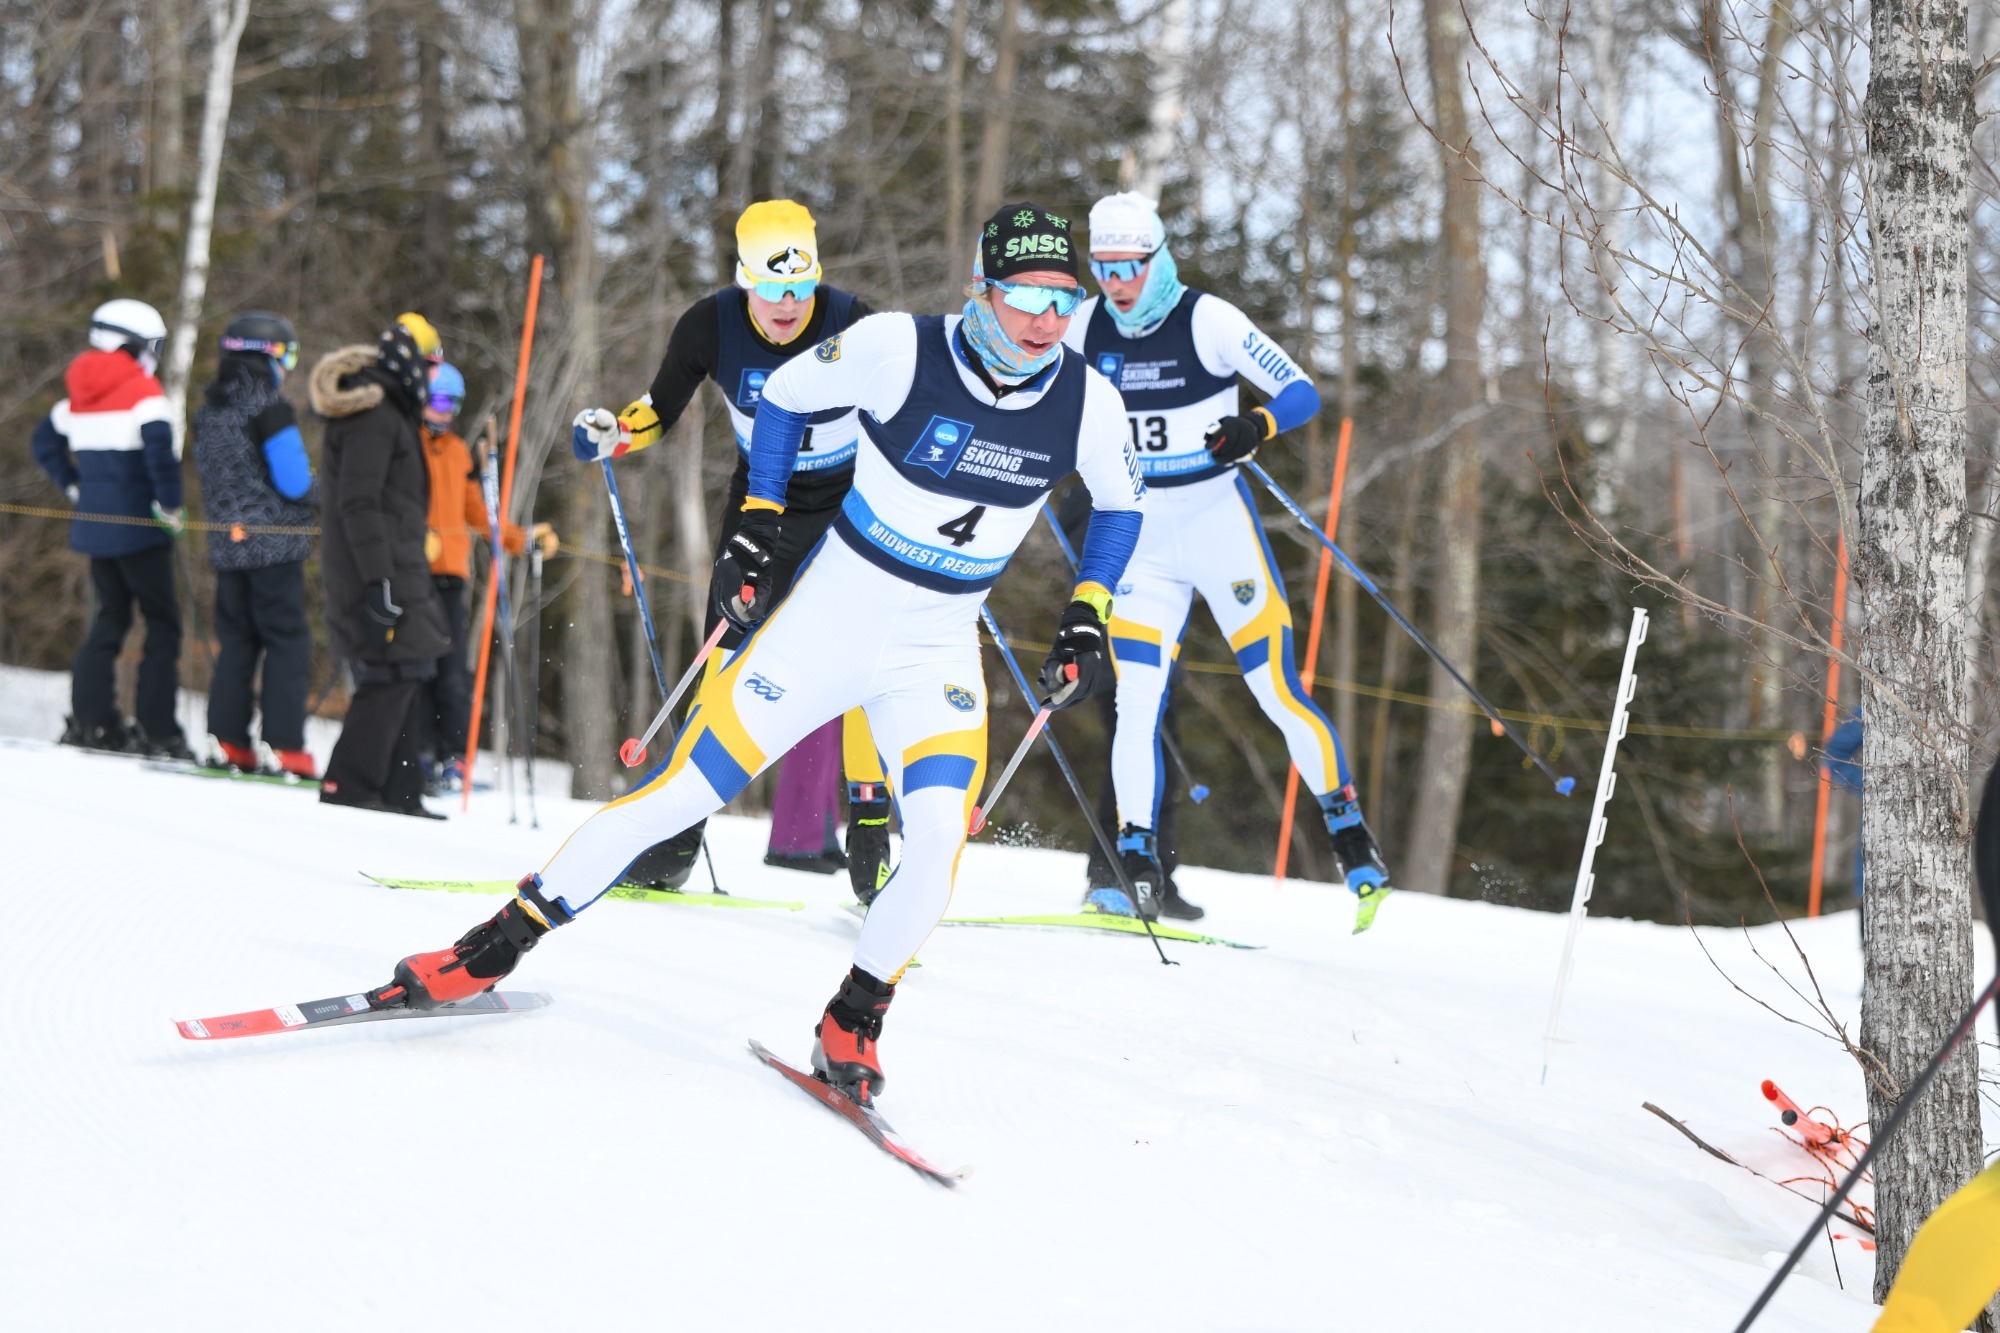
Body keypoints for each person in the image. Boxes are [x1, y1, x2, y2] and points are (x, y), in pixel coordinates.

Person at [367, 203, 1145, 1107]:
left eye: (1063, 300)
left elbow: (1122, 506)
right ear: (983, 289)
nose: (1047, 322)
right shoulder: (899, 347)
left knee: (934, 843)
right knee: (678, 795)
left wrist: (1088, 615)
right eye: (1025, 297)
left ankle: (853, 1019)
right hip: (825, 630)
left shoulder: (1088, 396)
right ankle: (488, 950)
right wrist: (757, 525)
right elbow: (783, 398)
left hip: (934, 652)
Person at [1063, 191, 1390, 929]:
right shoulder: (1084, 326)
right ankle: (1136, 855)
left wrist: (1255, 424)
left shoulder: (1206, 320)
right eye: (1103, 267)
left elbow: (1301, 390)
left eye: (1129, 269)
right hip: (1141, 531)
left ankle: (1349, 834)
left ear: (1158, 259)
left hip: (1216, 526)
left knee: (1274, 687)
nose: (1116, 284)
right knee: (1135, 701)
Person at [572, 199, 893, 899]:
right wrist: (615, 433)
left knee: (863, 658)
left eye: (801, 286)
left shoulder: (853, 321)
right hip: (763, 507)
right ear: (744, 278)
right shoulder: (710, 324)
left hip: (852, 501)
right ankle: (677, 833)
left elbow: (904, 408)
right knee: (725, 657)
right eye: (772, 288)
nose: (787, 304)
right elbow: (659, 407)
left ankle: (871, 829)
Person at [32, 298, 194, 760]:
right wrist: (171, 508)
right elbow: (161, 458)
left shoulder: (78, 397)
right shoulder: (145, 394)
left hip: (97, 530)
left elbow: (44, 441)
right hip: (141, 530)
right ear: (133, 344)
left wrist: (75, 487)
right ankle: (157, 729)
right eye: (153, 347)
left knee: (111, 618)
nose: (154, 357)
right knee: (163, 623)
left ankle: (93, 721)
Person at [311, 314, 451, 817]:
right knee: (391, 672)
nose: (433, 380)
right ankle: (348, 785)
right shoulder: (372, 413)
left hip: (396, 561)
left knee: (412, 665)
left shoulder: (389, 409)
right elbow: (358, 502)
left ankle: (400, 792)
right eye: (431, 367)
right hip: (374, 567)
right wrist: (377, 583)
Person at [417, 360, 557, 791]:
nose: (446, 411)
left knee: (452, 671)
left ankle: (454, 758)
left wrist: (520, 540)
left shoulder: (458, 450)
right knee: (416, 669)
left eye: (454, 404)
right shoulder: (406, 443)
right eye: (440, 400)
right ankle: (416, 754)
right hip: (412, 572)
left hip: (450, 577)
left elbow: (479, 512)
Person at [192, 311, 319, 779]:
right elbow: (294, 481)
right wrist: (329, 492)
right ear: (269, 356)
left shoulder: (208, 410)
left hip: (229, 546)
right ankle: (284, 746)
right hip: (275, 547)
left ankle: (228, 740)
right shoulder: (270, 407)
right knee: (287, 641)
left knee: (237, 641)